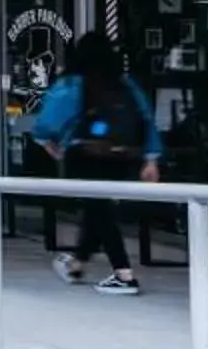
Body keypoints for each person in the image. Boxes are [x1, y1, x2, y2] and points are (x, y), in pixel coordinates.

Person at [28, 30, 160, 294]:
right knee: (97, 209)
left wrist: (46, 142)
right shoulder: (125, 83)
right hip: (124, 158)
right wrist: (151, 159)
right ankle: (76, 264)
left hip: (85, 155)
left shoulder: (73, 84)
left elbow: (46, 123)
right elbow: (146, 120)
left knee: (99, 210)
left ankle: (123, 274)